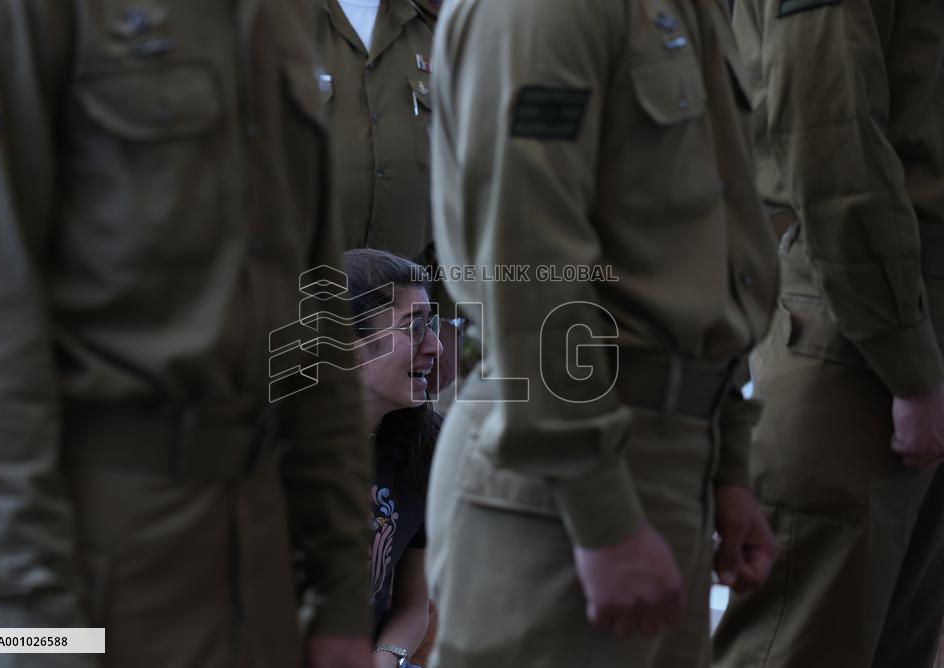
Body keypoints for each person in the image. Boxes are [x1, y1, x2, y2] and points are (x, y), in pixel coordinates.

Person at [0, 2, 371, 667]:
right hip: (83, 568)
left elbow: (314, 324)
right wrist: (32, 638)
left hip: (258, 578)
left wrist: (345, 591)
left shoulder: (281, 15)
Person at [425, 1, 780, 667]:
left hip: (668, 457)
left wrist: (726, 463)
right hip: (563, 469)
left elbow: (707, 251)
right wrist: (603, 516)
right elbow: (526, 266)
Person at [713, 2, 944, 667]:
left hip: (894, 322)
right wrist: (909, 360)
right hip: (856, 329)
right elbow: (829, 136)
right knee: (800, 641)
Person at [322, 0, 462, 397]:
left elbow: (460, 189)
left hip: (409, 320)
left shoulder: (435, 28)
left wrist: (447, 324)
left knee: (401, 453)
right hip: (301, 305)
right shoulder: (276, 22)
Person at [343, 248, 442, 668]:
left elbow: (413, 603)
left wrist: (386, 659)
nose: (435, 347)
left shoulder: (424, 443)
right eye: (413, 329)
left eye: (431, 328)